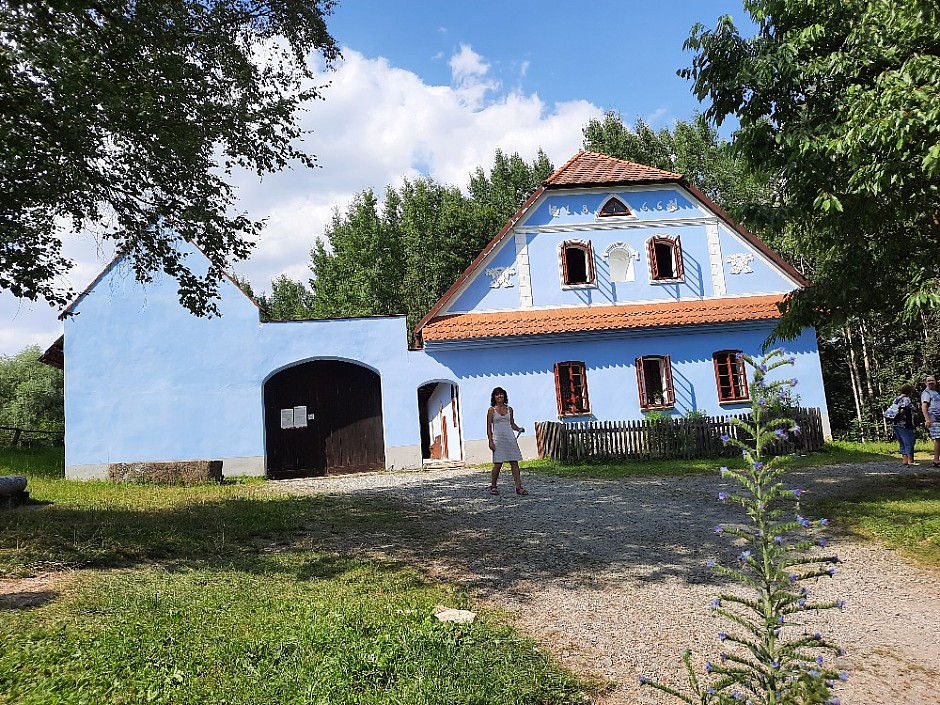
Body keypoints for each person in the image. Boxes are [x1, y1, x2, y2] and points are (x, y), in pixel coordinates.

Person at [486, 386, 527, 495]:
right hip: (498, 439)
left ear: (504, 395)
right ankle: (493, 486)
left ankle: (519, 487)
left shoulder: (510, 409)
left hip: (509, 438)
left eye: (501, 394)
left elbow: (512, 423)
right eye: (497, 394)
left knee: (514, 462)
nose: (499, 396)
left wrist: (519, 429)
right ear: (494, 397)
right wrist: (490, 441)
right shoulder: (491, 410)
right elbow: (489, 428)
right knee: (498, 464)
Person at [891, 384, 918, 466]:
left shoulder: (897, 398)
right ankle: (910, 460)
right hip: (905, 424)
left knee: (902, 441)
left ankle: (904, 460)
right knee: (909, 441)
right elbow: (903, 410)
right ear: (909, 391)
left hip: (895, 424)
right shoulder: (906, 399)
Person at [920, 375, 940, 467]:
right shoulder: (926, 393)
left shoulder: (935, 392)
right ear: (926, 383)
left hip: (938, 419)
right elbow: (924, 407)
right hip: (933, 419)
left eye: (932, 380)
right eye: (929, 381)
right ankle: (936, 460)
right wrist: (927, 419)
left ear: (936, 381)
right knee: (938, 439)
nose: (931, 382)